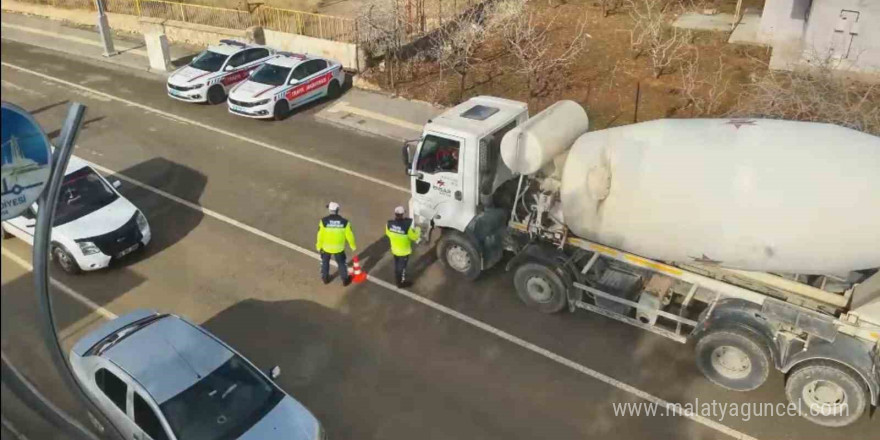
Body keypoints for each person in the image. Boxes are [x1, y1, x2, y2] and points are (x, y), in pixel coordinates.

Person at [316, 202, 357, 286]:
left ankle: (325, 279)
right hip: (339, 248)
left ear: (330, 210)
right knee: (342, 263)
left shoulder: (323, 221)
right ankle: (345, 280)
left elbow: (320, 235)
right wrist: (353, 246)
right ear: (337, 210)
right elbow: (350, 236)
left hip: (326, 247)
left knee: (325, 263)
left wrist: (318, 246)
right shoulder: (345, 222)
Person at [385, 206, 421, 288]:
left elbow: (388, 233)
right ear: (402, 214)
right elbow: (414, 237)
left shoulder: (389, 224)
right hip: (404, 252)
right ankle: (401, 283)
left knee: (397, 265)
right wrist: (418, 229)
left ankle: (398, 276)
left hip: (395, 250)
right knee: (402, 268)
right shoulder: (406, 226)